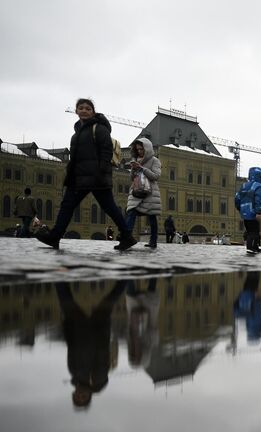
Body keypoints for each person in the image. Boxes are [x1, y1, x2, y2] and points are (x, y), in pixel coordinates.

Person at [36, 98, 137, 250]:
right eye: (81, 108)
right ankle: (55, 236)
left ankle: (127, 236)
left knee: (109, 208)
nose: (84, 110)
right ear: (76, 111)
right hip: (79, 178)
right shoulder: (76, 134)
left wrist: (101, 172)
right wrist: (70, 174)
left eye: (88, 108)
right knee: (67, 205)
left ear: (93, 112)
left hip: (96, 177)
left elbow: (106, 151)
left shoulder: (99, 129)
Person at [56, 279, 126, 409]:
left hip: (78, 329)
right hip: (96, 329)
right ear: (89, 396)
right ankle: (127, 276)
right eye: (83, 398)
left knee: (66, 300)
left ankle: (60, 273)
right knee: (110, 299)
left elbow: (71, 349)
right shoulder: (97, 380)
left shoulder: (74, 374)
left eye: (77, 397)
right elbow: (101, 353)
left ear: (73, 394)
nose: (80, 395)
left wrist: (67, 328)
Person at [124, 138, 161, 249]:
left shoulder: (155, 161)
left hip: (150, 193)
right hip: (136, 191)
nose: (139, 151)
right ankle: (127, 238)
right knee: (131, 212)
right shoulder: (136, 160)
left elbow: (156, 176)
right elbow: (132, 178)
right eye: (138, 149)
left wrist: (142, 168)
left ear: (147, 148)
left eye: (141, 149)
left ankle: (153, 241)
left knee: (152, 217)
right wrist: (133, 169)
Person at [235, 167, 261, 255]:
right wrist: (258, 212)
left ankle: (255, 247)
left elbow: (237, 198)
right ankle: (251, 248)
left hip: (244, 212)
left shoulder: (244, 185)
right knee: (254, 231)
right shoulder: (258, 186)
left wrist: (240, 208)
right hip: (253, 212)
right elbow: (259, 200)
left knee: (249, 230)